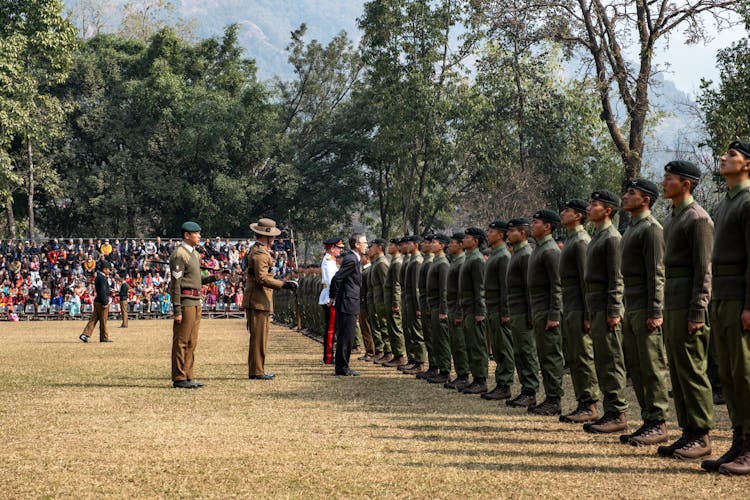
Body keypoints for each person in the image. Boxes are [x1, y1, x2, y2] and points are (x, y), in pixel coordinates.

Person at [657, 160, 714, 459]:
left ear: (686, 184)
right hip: (673, 302)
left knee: (692, 369)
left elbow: (704, 270)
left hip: (689, 305)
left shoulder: (698, 219)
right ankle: (687, 431)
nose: (663, 183)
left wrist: (697, 310)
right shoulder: (673, 218)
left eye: (669, 179)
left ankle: (702, 434)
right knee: (678, 371)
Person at [703, 141, 750, 474]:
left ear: (747, 164)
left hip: (739, 298)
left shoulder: (748, 202)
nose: (723, 158)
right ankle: (739, 442)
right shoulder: (725, 203)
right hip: (721, 297)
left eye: (731, 155)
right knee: (729, 375)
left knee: (745, 373)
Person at [618, 179, 670, 446]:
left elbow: (656, 274)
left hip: (645, 306)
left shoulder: (651, 229)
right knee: (636, 366)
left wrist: (655, 311)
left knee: (652, 366)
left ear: (646, 199)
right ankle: (648, 419)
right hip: (632, 304)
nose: (625, 197)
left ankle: (658, 421)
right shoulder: (632, 228)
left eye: (632, 193)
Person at [583, 190, 628, 435]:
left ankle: (617, 412)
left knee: (611, 361)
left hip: (606, 307)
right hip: (596, 305)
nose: (590, 208)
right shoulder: (598, 236)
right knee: (602, 359)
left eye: (595, 204)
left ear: (608, 210)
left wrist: (613, 310)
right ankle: (610, 411)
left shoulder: (612, 238)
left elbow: (616, 278)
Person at [169, 221, 227, 389]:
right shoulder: (180, 254)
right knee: (181, 340)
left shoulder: (193, 253)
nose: (199, 236)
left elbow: (196, 280)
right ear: (187, 235)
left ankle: (188, 375)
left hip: (195, 301)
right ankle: (179, 376)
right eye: (196, 233)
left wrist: (216, 277)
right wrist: (177, 309)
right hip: (186, 303)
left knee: (192, 341)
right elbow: (176, 284)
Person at [559, 199, 600, 423]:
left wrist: (587, 314)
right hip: (570, 306)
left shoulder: (581, 241)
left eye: (567, 211)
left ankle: (590, 404)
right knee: (575, 356)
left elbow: (587, 281)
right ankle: (582, 402)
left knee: (584, 356)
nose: (562, 214)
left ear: (578, 216)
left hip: (579, 307)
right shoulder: (572, 239)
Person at [243, 218, 297, 380]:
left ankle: (257, 369)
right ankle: (257, 371)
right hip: (258, 300)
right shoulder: (260, 253)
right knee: (259, 338)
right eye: (272, 237)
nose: (274, 240)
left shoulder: (260, 251)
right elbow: (261, 278)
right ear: (266, 237)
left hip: (260, 300)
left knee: (259, 337)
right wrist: (283, 285)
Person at [527, 209, 565, 415]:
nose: (532, 226)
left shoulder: (550, 250)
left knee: (551, 356)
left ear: (547, 226)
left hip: (547, 311)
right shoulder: (540, 249)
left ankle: (554, 399)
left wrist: (553, 315)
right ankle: (549, 396)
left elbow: (557, 286)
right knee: (543, 355)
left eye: (536, 222)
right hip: (538, 309)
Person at [505, 218, 540, 408]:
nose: (508, 234)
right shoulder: (517, 253)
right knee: (519, 351)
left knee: (527, 351)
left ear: (523, 233)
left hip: (523, 311)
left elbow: (529, 288)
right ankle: (526, 389)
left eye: (512, 231)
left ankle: (530, 390)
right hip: (515, 309)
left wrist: (530, 315)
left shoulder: (526, 253)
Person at [481, 220, 514, 401]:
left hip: (500, 310)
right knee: (499, 348)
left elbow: (505, 287)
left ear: (501, 235)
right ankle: (501, 383)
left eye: (491, 231)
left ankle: (505, 384)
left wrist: (505, 312)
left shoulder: (503, 256)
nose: (488, 234)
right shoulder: (495, 254)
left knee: (504, 349)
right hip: (492, 308)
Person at [329, 233, 368, 376]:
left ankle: (342, 366)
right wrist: (333, 296)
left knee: (347, 336)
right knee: (347, 336)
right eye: (364, 242)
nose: (366, 245)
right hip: (347, 302)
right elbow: (336, 279)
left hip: (349, 301)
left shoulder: (354, 259)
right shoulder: (351, 259)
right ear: (357, 245)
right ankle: (342, 367)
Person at [458, 228, 489, 394]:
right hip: (467, 308)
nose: (464, 239)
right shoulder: (469, 258)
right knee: (470, 344)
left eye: (467, 237)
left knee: (477, 345)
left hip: (474, 309)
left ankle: (481, 380)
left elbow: (480, 288)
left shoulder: (477, 259)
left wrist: (480, 312)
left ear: (476, 241)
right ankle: (475, 378)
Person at [444, 232, 471, 390]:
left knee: (460, 344)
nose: (449, 245)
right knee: (455, 343)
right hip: (453, 307)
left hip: (459, 309)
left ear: (460, 245)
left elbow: (463, 290)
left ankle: (463, 376)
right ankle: (460, 374)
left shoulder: (461, 262)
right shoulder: (456, 261)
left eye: (452, 242)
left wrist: (460, 312)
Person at [425, 234, 451, 384]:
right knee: (435, 339)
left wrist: (443, 310)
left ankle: (445, 370)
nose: (431, 245)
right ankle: (438, 368)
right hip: (433, 306)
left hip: (439, 307)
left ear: (442, 246)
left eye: (434, 242)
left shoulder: (443, 264)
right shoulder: (436, 261)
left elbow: (444, 290)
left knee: (442, 340)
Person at [382, 238, 408, 368]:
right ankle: (397, 355)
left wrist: (396, 303)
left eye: (392, 245)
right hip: (389, 299)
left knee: (395, 327)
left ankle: (399, 355)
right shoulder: (394, 261)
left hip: (394, 301)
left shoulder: (397, 262)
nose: (389, 247)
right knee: (391, 327)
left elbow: (397, 284)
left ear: (397, 247)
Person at [319, 237, 344, 364]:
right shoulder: (328, 261)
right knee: (330, 329)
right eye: (338, 248)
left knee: (332, 329)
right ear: (332, 248)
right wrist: (333, 297)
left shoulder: (331, 261)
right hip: (330, 298)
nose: (340, 250)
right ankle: (328, 357)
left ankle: (329, 355)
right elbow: (330, 281)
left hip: (330, 296)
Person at [368, 238, 391, 363]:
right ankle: (381, 350)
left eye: (373, 246)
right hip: (376, 299)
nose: (370, 249)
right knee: (377, 326)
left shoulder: (382, 263)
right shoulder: (376, 263)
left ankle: (388, 351)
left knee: (384, 326)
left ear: (379, 248)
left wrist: (385, 302)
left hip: (381, 300)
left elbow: (385, 285)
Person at [79, 261, 113, 343]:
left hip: (97, 301)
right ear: (104, 269)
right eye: (108, 269)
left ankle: (85, 334)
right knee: (103, 321)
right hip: (102, 302)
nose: (109, 271)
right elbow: (102, 291)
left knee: (94, 319)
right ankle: (104, 338)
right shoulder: (102, 278)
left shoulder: (99, 277)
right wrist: (105, 302)